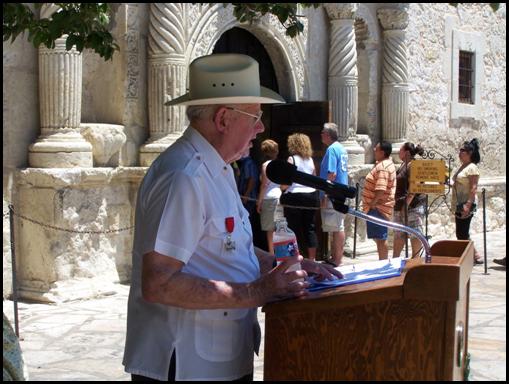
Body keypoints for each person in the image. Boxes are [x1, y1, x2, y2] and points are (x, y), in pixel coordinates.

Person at [122, 53, 342, 381]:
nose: (261, 127)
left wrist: (281, 266)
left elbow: (228, 244)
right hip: (186, 366)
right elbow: (159, 283)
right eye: (254, 116)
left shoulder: (219, 168)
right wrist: (257, 292)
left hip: (216, 358)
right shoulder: (185, 176)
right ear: (224, 119)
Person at [280, 133, 320, 261]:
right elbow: (314, 178)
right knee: (310, 228)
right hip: (311, 195)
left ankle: (295, 257)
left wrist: (281, 188)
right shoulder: (310, 160)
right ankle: (312, 258)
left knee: (293, 228)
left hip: (295, 196)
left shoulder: (292, 159)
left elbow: (287, 181)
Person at [319, 122, 349, 267]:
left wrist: (325, 194)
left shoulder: (331, 149)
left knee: (337, 227)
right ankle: (335, 256)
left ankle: (337, 259)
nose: (321, 135)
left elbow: (331, 174)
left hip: (333, 193)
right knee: (337, 226)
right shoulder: (341, 148)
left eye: (322, 133)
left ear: (328, 135)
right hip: (341, 192)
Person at [361, 141, 397, 260]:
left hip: (378, 208)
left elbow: (381, 189)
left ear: (382, 152)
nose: (374, 151)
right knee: (379, 238)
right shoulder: (385, 164)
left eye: (376, 149)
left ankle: (383, 263)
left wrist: (372, 204)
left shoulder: (383, 167)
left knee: (381, 238)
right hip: (378, 207)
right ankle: (382, 262)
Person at [451, 138, 483, 265]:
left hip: (466, 204)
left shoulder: (472, 168)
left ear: (469, 153)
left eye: (462, 150)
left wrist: (468, 205)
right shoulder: (462, 167)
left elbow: (474, 187)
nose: (460, 152)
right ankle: (474, 255)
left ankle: (471, 256)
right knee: (462, 232)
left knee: (462, 232)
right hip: (459, 203)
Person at [392, 142, 426, 258]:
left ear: (406, 152)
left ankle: (416, 260)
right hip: (400, 205)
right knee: (399, 233)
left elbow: (414, 186)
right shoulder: (404, 164)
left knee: (415, 234)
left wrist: (406, 205)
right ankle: (396, 259)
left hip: (412, 206)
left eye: (400, 150)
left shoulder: (413, 165)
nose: (398, 152)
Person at [256, 139, 281, 255]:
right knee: (279, 227)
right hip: (279, 196)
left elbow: (264, 185)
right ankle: (280, 252)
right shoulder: (279, 165)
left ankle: (272, 254)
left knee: (270, 229)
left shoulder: (265, 165)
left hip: (269, 198)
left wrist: (259, 201)